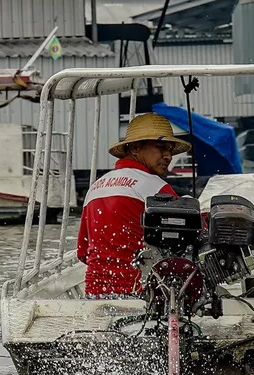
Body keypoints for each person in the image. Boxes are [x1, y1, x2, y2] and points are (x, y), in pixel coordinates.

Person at [76, 113, 193, 297]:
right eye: (161, 147)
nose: (168, 155)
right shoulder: (155, 187)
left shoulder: (95, 187)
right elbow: (186, 241)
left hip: (95, 292)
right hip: (138, 294)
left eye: (170, 149)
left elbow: (83, 253)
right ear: (136, 148)